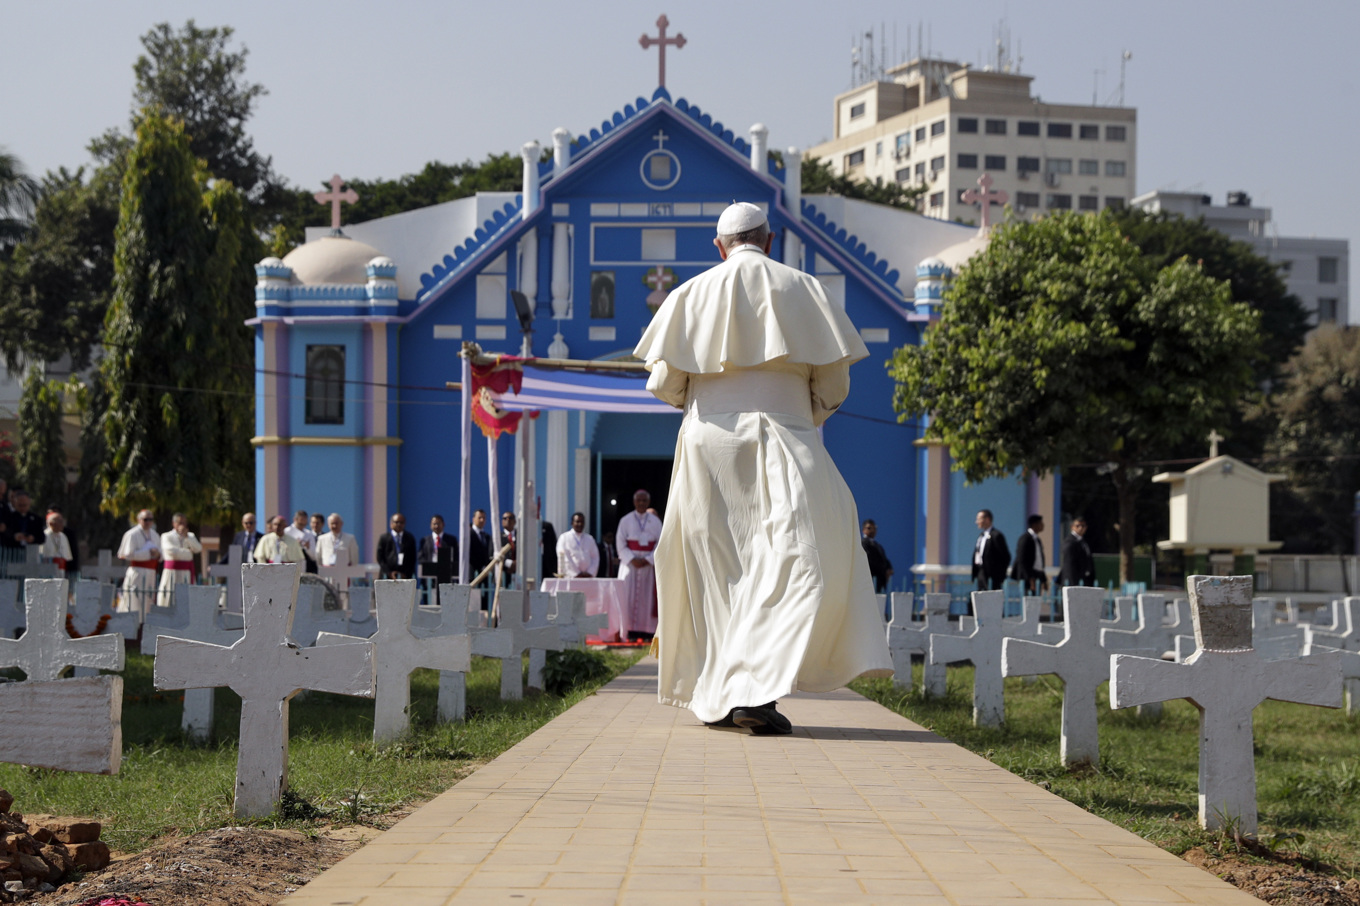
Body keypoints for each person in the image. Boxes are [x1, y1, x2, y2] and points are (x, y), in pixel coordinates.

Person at [635, 201, 892, 735]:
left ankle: (730, 695)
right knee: (794, 560)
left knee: (718, 571)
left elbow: (663, 384)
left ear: (719, 246)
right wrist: (802, 414)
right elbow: (835, 386)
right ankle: (750, 694)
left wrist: (707, 404)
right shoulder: (806, 289)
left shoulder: (689, 294)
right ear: (770, 241)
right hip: (786, 436)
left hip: (707, 446)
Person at [616, 490, 662, 641]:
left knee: (646, 599)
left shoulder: (655, 522)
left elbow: (661, 543)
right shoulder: (625, 520)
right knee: (627, 597)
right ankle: (628, 630)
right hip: (630, 566)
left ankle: (647, 632)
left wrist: (648, 559)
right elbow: (620, 544)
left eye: (644, 501)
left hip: (647, 567)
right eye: (639, 500)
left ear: (648, 502)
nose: (641, 503)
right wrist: (632, 559)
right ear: (634, 502)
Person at [117, 510, 161, 616]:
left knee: (148, 601)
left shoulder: (155, 535)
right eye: (146, 519)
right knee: (134, 600)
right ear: (139, 520)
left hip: (151, 572)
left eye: (151, 519)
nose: (148, 522)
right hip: (137, 571)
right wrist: (148, 553)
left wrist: (157, 554)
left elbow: (161, 554)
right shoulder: (132, 534)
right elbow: (127, 554)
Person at [158, 513, 203, 607]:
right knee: (169, 598)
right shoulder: (167, 536)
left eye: (184, 522)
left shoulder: (190, 536)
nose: (181, 525)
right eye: (179, 522)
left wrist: (187, 538)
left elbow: (198, 549)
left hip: (186, 572)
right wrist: (188, 552)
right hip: (171, 572)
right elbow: (170, 551)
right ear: (173, 523)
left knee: (185, 600)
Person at [972, 509, 1010, 593]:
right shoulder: (981, 536)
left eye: (979, 519)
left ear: (987, 519)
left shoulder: (996, 535)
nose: (977, 522)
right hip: (981, 573)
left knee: (992, 600)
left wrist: (1000, 575)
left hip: (993, 576)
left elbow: (1005, 556)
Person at [1010, 514, 1049, 595]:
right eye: (1040, 523)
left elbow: (1039, 562)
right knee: (1029, 600)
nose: (1043, 525)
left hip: (1036, 575)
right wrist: (1030, 579)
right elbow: (1022, 560)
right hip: (1028, 578)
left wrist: (1044, 579)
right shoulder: (1025, 539)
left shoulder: (1037, 539)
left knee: (1036, 601)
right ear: (1034, 524)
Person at [556, 512, 600, 578]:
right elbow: (565, 557)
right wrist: (576, 574)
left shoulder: (589, 539)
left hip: (587, 577)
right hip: (570, 577)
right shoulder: (564, 537)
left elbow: (595, 557)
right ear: (572, 523)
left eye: (582, 522)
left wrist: (590, 572)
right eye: (577, 521)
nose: (580, 524)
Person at [419, 514, 457, 585]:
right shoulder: (425, 540)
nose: (436, 526)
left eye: (438, 523)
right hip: (429, 574)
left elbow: (455, 556)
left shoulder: (451, 540)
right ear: (430, 525)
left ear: (443, 524)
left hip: (445, 573)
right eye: (434, 524)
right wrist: (429, 567)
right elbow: (421, 557)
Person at [377, 512, 417, 579]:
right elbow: (380, 558)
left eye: (401, 522)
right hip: (387, 576)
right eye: (396, 522)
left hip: (404, 576)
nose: (399, 524)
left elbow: (412, 559)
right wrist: (389, 573)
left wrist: (404, 573)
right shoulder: (384, 538)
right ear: (391, 524)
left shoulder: (409, 538)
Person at [1060, 516, 1096, 587]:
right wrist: (1073, 583)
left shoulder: (1083, 541)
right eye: (1078, 526)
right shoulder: (1070, 542)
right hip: (1074, 581)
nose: (1081, 528)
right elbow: (1069, 564)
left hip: (1084, 580)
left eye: (1083, 526)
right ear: (1072, 527)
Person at [861, 519, 893, 594]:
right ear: (863, 530)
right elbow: (869, 560)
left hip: (880, 580)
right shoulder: (864, 543)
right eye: (869, 528)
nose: (872, 530)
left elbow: (884, 559)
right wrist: (881, 569)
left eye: (874, 528)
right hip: (871, 579)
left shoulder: (878, 545)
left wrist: (888, 569)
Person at [285, 509, 318, 574]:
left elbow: (314, 556)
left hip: (303, 566)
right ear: (295, 519)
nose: (302, 524)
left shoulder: (309, 534)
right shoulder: (286, 532)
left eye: (304, 522)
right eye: (300, 522)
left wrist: (307, 547)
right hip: (288, 564)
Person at [468, 509, 492, 584]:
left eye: (484, 518)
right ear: (473, 519)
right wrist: (481, 566)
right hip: (473, 573)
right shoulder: (468, 535)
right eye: (479, 518)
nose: (482, 520)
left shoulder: (487, 536)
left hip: (485, 575)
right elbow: (470, 554)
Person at [500, 512, 517, 587]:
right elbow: (493, 554)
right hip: (504, 573)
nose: (508, 520)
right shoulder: (497, 537)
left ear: (515, 521)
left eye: (510, 518)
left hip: (519, 573)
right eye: (505, 518)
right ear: (502, 521)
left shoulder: (521, 535)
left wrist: (517, 563)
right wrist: (509, 563)